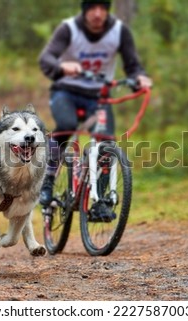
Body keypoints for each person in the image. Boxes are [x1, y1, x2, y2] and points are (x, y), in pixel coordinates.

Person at [38, 0, 152, 206]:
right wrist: (62, 67)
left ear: (107, 11)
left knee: (106, 143)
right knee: (66, 126)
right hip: (66, 92)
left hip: (98, 97)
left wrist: (140, 78)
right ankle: (47, 179)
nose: (98, 14)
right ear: (84, 10)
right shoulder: (69, 29)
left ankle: (100, 201)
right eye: (92, 8)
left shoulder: (119, 31)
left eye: (102, 8)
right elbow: (46, 58)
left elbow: (133, 65)